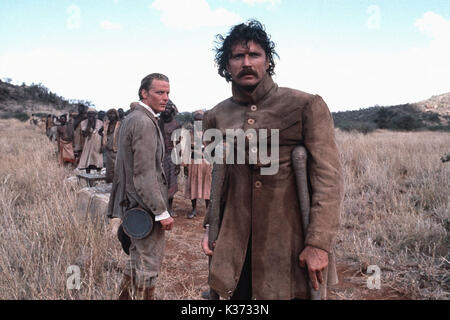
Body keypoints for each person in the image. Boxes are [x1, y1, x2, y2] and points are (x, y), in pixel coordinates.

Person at [201, 20, 344, 300]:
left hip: (288, 240)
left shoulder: (305, 105)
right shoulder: (216, 115)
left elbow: (329, 178)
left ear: (267, 61)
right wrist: (210, 225)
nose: (246, 63)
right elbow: (219, 181)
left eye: (254, 55)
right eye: (237, 56)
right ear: (226, 65)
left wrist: (318, 243)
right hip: (235, 242)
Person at [107, 73, 174, 300]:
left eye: (167, 93)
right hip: (143, 207)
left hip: (133, 203)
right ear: (144, 93)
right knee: (148, 264)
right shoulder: (144, 122)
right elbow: (144, 174)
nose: (165, 98)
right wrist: (161, 211)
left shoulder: (134, 117)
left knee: (137, 259)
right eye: (159, 92)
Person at [183, 111, 212, 219]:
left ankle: (208, 210)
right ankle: (194, 209)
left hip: (205, 163)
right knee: (193, 186)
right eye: (196, 120)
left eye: (200, 120)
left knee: (207, 187)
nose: (198, 123)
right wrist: (185, 165)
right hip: (193, 162)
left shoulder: (209, 133)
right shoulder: (189, 133)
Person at [159, 100, 181, 217]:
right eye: (165, 108)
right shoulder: (158, 122)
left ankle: (170, 208)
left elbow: (178, 144)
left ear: (172, 110)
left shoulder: (176, 125)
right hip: (159, 156)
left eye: (169, 109)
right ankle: (161, 208)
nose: (166, 110)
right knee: (160, 182)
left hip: (172, 156)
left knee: (171, 183)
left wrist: (178, 163)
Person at [77, 108, 104, 173]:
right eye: (89, 114)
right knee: (87, 161)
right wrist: (89, 124)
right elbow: (84, 134)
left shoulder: (100, 122)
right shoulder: (83, 123)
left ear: (95, 115)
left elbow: (103, 135)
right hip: (87, 144)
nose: (91, 115)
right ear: (87, 115)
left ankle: (98, 176)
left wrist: (102, 145)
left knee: (97, 161)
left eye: (92, 114)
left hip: (97, 144)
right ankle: (88, 175)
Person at [101, 108, 121, 183]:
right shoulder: (106, 124)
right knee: (109, 167)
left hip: (117, 148)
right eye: (110, 114)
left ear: (116, 115)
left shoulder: (120, 124)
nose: (111, 116)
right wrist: (105, 141)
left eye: (113, 114)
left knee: (117, 167)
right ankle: (109, 183)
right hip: (109, 147)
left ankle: (117, 184)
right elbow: (101, 132)